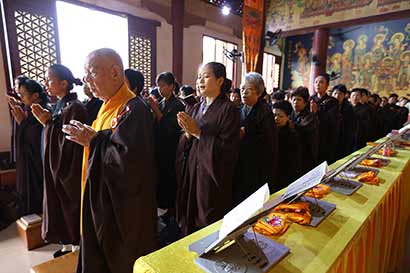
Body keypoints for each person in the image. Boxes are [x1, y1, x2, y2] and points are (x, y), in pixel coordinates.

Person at [62, 48, 157, 273]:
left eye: (92, 73)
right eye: (85, 75)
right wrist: (91, 140)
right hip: (100, 196)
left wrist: (94, 141)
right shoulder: (108, 106)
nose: (87, 81)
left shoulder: (133, 109)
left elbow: (129, 161)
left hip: (121, 206)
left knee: (117, 257)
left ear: (115, 72)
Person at [175, 62, 240, 236]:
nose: (200, 81)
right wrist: (187, 135)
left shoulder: (229, 110)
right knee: (190, 213)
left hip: (211, 176)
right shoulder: (197, 107)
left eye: (206, 76)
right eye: (198, 77)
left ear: (220, 80)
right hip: (193, 170)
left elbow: (227, 151)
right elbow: (187, 141)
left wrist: (197, 133)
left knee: (207, 219)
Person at [31, 64, 88, 257]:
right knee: (58, 204)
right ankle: (66, 243)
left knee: (70, 203)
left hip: (69, 167)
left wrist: (48, 123)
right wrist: (48, 123)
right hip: (57, 166)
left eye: (50, 80)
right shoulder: (59, 105)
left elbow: (69, 142)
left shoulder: (76, 107)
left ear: (63, 84)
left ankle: (76, 246)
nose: (46, 84)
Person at [146, 72, 185, 242]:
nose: (160, 89)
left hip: (171, 149)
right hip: (159, 149)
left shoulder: (178, 105)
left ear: (171, 86)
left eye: (163, 85)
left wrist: (156, 111)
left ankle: (170, 211)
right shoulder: (162, 103)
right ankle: (163, 209)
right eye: (158, 85)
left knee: (170, 180)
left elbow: (170, 129)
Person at [233, 72, 277, 204]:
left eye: (249, 90)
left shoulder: (265, 111)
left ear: (258, 92)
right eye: (242, 89)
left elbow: (268, 140)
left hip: (257, 164)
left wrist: (247, 133)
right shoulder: (239, 109)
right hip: (240, 160)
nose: (244, 93)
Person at [9, 78, 48, 215]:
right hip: (27, 158)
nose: (21, 98)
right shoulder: (27, 109)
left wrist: (22, 122)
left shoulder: (44, 110)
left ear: (36, 96)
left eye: (23, 95)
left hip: (37, 160)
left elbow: (39, 136)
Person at [310, 73, 340, 164]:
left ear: (327, 86)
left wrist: (317, 112)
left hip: (326, 138)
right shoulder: (311, 99)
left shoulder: (333, 102)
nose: (317, 84)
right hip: (312, 136)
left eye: (321, 82)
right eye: (316, 82)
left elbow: (331, 120)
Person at [272, 100, 302, 189]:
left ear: (288, 117)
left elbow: (294, 162)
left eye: (280, 116)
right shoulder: (269, 131)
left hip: (285, 175)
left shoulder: (292, 135)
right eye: (274, 115)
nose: (276, 119)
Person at [290, 87, 319, 174]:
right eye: (294, 100)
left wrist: (291, 125)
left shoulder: (310, 116)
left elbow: (302, 130)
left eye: (299, 100)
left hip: (305, 156)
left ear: (305, 103)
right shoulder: (292, 114)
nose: (295, 102)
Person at [332, 84, 356, 159]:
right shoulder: (328, 106)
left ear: (344, 95)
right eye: (335, 93)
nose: (337, 96)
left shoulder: (348, 108)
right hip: (331, 138)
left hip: (344, 139)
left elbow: (351, 126)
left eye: (340, 94)